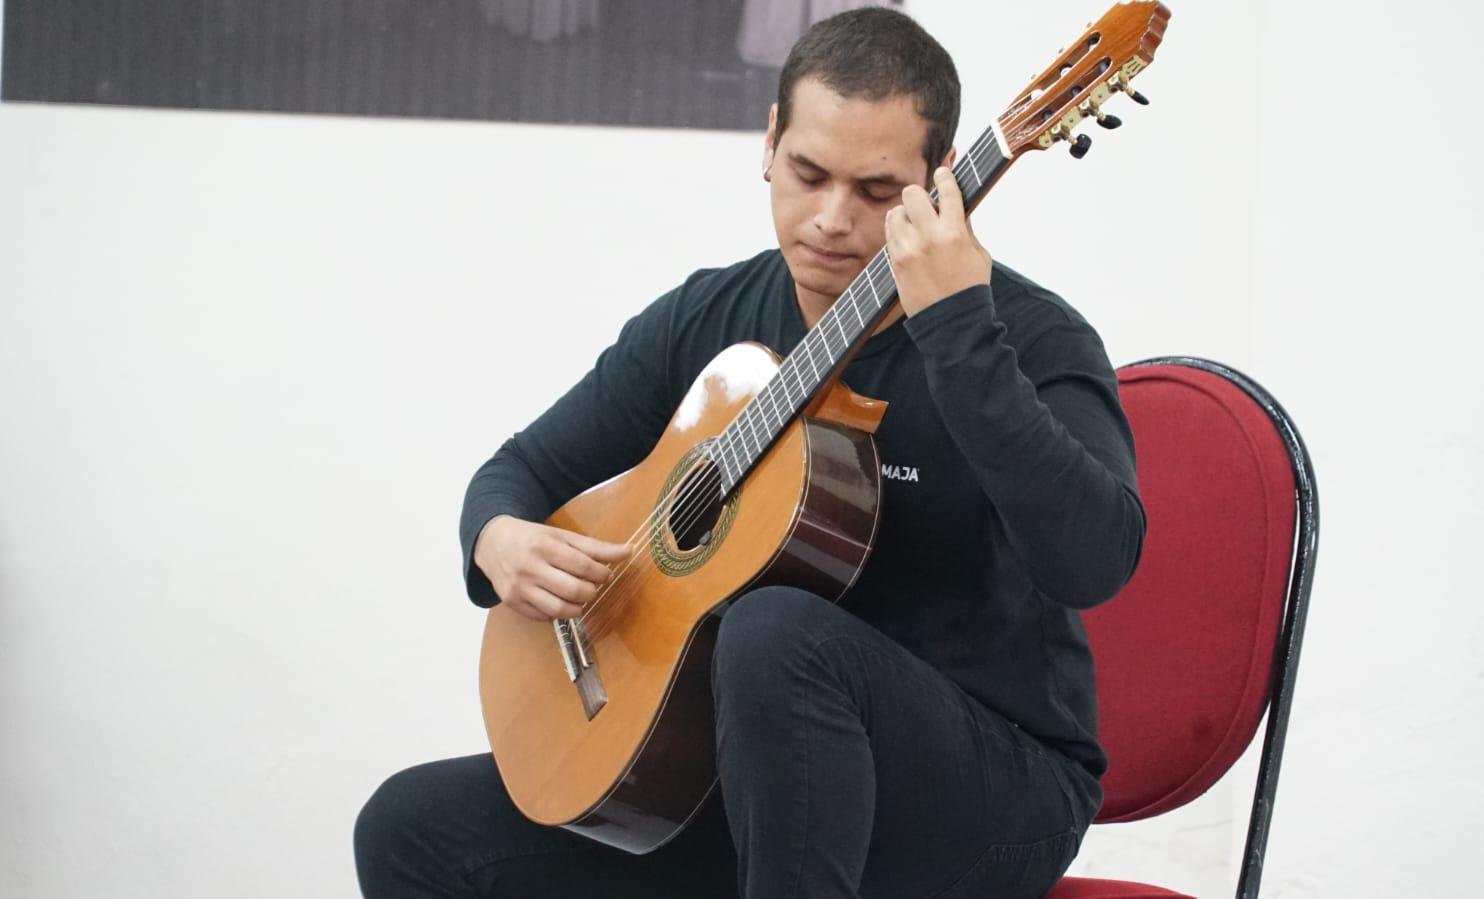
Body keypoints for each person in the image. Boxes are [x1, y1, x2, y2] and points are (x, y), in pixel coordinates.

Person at [354, 8, 1145, 897]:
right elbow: (517, 473)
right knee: (410, 827)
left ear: (939, 184)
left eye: (878, 191)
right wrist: (498, 538)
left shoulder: (1026, 338)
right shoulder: (710, 318)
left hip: (989, 796)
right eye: (807, 172)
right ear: (769, 141)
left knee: (777, 632)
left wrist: (958, 329)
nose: (831, 220)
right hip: (755, 787)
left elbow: (1096, 561)